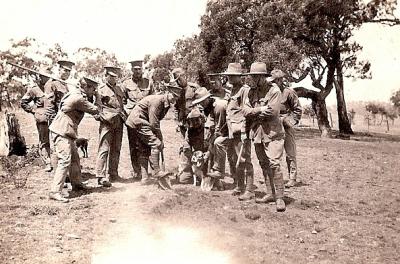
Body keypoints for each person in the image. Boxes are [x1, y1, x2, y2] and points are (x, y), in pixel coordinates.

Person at [48, 77, 103, 202]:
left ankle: (77, 184)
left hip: (66, 130)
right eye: (93, 89)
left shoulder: (75, 93)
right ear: (86, 87)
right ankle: (55, 191)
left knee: (75, 159)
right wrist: (98, 96)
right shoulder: (78, 98)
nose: (94, 91)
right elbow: (97, 110)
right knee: (64, 160)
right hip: (62, 130)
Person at [243, 62, 286, 212]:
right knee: (263, 163)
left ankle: (280, 198)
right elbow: (245, 111)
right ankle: (270, 193)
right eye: (252, 76)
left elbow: (272, 112)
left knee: (274, 163)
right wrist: (260, 109)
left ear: (263, 77)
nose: (253, 79)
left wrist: (254, 112)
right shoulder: (251, 92)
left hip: (272, 133)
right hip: (257, 133)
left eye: (256, 77)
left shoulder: (274, 91)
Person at [208, 63, 254, 201]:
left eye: (232, 76)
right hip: (230, 131)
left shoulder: (245, 90)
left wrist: (245, 131)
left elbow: (247, 111)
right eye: (228, 75)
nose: (229, 77)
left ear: (239, 77)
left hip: (241, 131)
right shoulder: (232, 90)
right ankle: (239, 185)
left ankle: (249, 190)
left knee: (245, 160)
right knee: (222, 147)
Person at [125, 90, 179, 190]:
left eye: (177, 97)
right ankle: (157, 172)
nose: (174, 98)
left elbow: (156, 121)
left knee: (144, 148)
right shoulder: (157, 101)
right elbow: (154, 123)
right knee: (156, 144)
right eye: (173, 95)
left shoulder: (166, 103)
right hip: (138, 121)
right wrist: (160, 138)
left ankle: (145, 178)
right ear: (168, 92)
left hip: (143, 122)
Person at [121, 60, 154, 179]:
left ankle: (146, 171)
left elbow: (153, 99)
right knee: (134, 145)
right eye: (135, 69)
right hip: (132, 119)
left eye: (139, 69)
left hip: (145, 118)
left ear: (142, 69)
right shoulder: (125, 84)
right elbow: (122, 102)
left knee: (146, 144)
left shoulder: (148, 83)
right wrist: (126, 116)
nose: (137, 71)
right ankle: (136, 170)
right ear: (132, 70)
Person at [95, 66, 127, 187]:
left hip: (119, 121)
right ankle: (100, 176)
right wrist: (103, 117)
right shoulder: (101, 89)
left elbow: (122, 105)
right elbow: (98, 107)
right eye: (111, 76)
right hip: (107, 122)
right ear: (106, 76)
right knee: (104, 148)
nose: (113, 78)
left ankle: (113, 173)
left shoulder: (119, 89)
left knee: (116, 148)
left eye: (115, 76)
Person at [171, 67, 203, 184]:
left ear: (185, 76)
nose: (180, 81)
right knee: (185, 148)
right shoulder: (177, 91)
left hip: (196, 125)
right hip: (184, 126)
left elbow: (202, 103)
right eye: (177, 80)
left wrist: (196, 113)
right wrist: (177, 122)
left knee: (198, 148)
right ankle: (187, 171)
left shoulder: (194, 88)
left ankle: (199, 174)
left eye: (181, 78)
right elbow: (175, 108)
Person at [20, 69, 52, 172]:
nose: (45, 79)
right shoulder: (34, 89)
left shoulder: (52, 87)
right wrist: (34, 111)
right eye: (43, 77)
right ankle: (48, 162)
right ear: (39, 77)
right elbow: (23, 102)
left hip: (53, 117)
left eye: (47, 77)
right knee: (44, 141)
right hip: (42, 118)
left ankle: (57, 162)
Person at [278, 72, 302, 188]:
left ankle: (292, 178)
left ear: (281, 80)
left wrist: (290, 122)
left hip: (286, 125)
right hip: (273, 125)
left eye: (276, 80)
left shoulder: (288, 92)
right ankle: (276, 178)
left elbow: (297, 109)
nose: (274, 83)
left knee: (290, 153)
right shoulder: (270, 93)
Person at [44, 60, 75, 124]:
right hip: (55, 120)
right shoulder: (52, 83)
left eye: (69, 71)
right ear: (59, 69)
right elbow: (49, 105)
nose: (67, 73)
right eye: (65, 70)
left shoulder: (65, 85)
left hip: (64, 119)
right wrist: (53, 121)